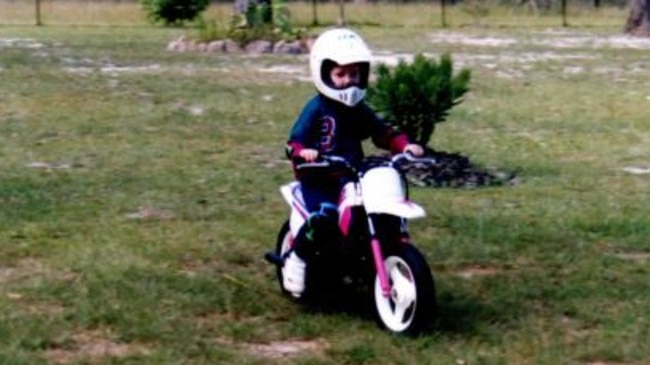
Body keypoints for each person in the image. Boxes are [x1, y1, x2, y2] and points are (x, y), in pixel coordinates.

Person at [282, 28, 423, 297]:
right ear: (324, 74)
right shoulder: (316, 108)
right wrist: (304, 152)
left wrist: (405, 145)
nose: (348, 81)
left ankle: (373, 257)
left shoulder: (358, 110)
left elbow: (381, 132)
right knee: (322, 218)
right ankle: (297, 260)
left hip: (350, 176)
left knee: (374, 210)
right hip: (318, 178)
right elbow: (294, 142)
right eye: (340, 74)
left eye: (354, 74)